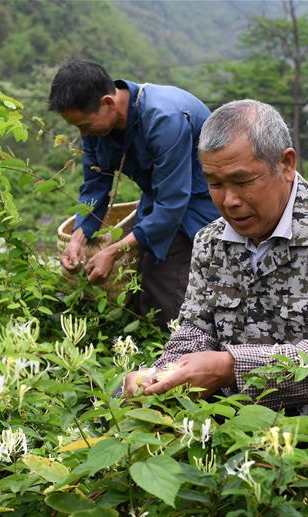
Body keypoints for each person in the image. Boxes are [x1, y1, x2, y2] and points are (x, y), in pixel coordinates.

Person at [124, 99, 308, 488]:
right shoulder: (211, 241)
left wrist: (230, 367)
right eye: (215, 184)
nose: (229, 200)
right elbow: (195, 331)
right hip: (251, 405)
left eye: (243, 181)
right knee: (127, 407)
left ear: (286, 164)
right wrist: (161, 377)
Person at [48, 60, 220, 329]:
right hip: (159, 200)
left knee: (167, 289)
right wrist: (78, 238)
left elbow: (173, 202)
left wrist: (114, 251)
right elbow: (95, 186)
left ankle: (177, 358)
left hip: (199, 204)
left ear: (108, 102)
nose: (83, 134)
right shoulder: (97, 128)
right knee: (139, 281)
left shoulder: (164, 118)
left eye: (84, 125)